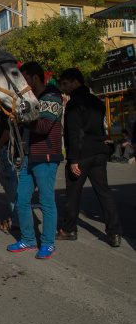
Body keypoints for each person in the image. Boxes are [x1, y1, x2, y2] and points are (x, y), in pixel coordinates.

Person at [57, 68, 122, 247]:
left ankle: (69, 229)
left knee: (73, 194)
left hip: (81, 155)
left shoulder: (74, 103)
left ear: (76, 82)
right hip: (99, 152)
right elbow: (100, 129)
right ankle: (115, 233)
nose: (63, 87)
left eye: (65, 83)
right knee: (105, 193)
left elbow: (73, 133)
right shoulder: (97, 102)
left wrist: (73, 159)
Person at [6, 62, 63, 259]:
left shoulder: (52, 97)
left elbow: (44, 126)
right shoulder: (33, 99)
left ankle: (48, 243)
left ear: (35, 78)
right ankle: (28, 239)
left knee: (47, 202)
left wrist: (22, 120)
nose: (23, 83)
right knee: (22, 200)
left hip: (46, 156)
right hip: (28, 156)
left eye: (25, 79)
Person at [0, 108, 20, 231]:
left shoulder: (7, 109)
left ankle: (17, 219)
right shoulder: (5, 107)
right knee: (5, 179)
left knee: (10, 183)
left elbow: (7, 128)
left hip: (6, 147)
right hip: (8, 147)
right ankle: (16, 217)